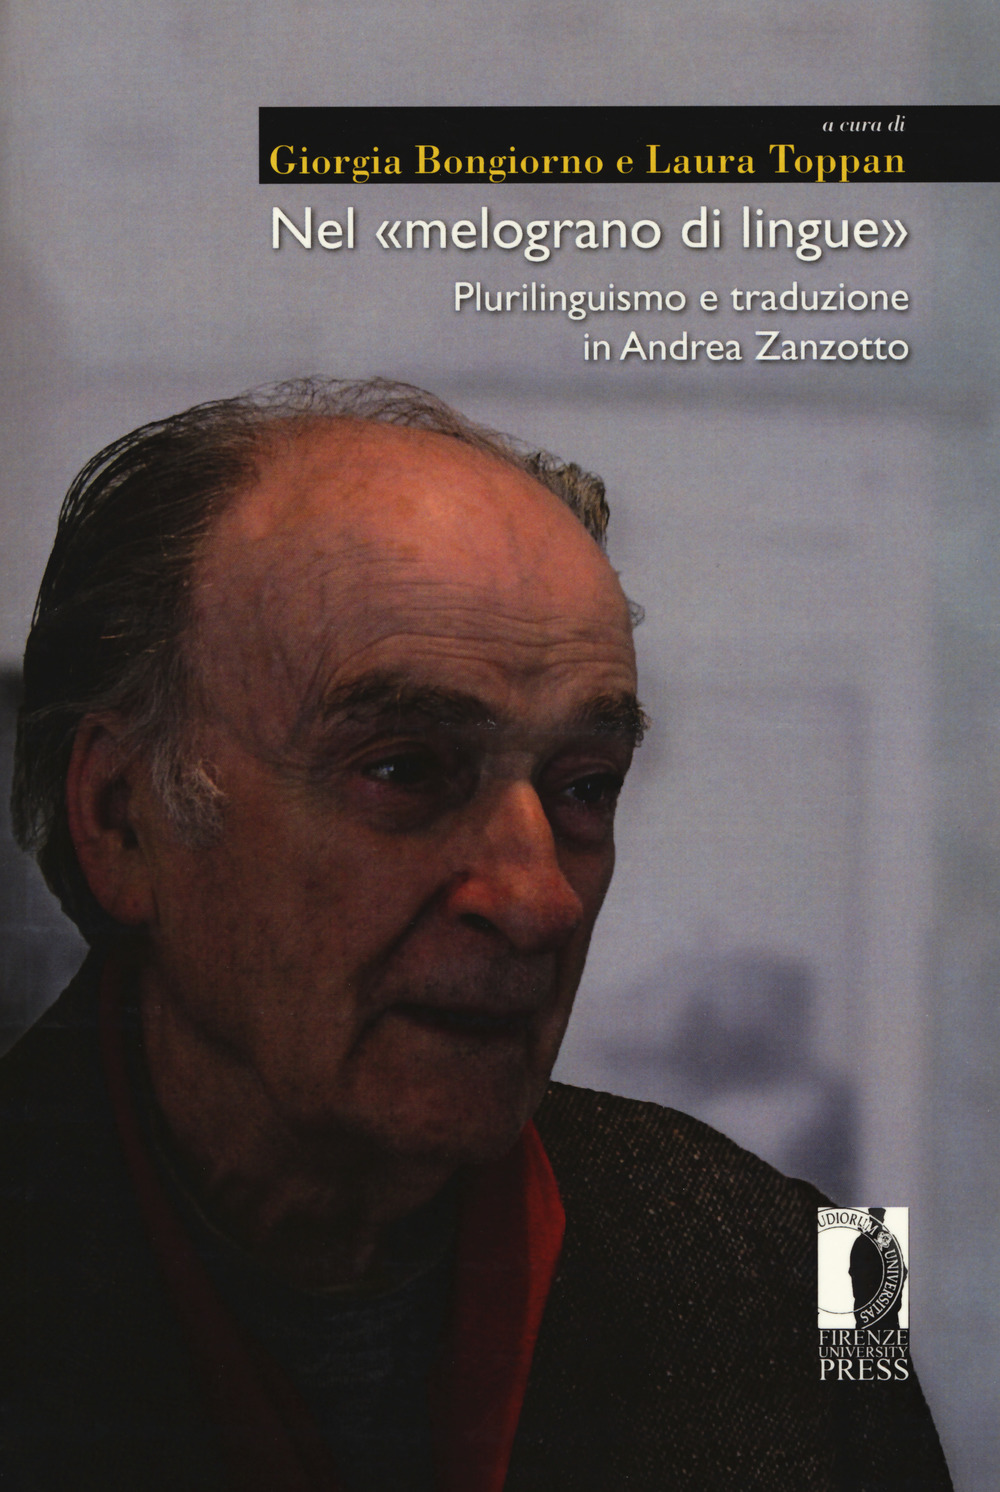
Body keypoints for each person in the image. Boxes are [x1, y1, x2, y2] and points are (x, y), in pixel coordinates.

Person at [1, 379, 950, 1490]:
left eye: (585, 786)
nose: (539, 898)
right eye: (405, 770)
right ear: (123, 817)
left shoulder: (836, 1261)